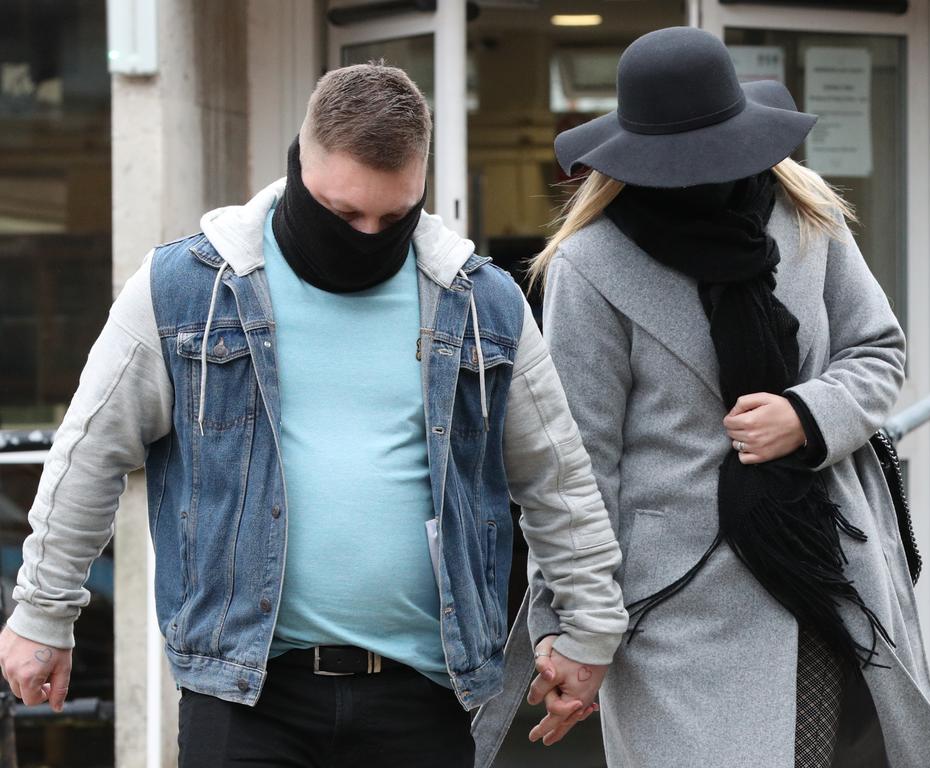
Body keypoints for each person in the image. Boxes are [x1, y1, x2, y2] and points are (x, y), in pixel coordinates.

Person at [0, 63, 627, 767]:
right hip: (244, 693)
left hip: (421, 694)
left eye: (394, 217)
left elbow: (557, 476)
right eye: (343, 213)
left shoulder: (481, 305)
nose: (367, 234)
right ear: (300, 166)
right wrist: (43, 614)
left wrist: (590, 626)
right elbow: (90, 451)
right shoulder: (187, 291)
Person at [474, 27, 930, 768]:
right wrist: (573, 625)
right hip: (674, 613)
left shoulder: (806, 215)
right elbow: (574, 469)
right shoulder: (590, 265)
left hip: (819, 580)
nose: (697, 176)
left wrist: (807, 415)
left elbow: (878, 351)